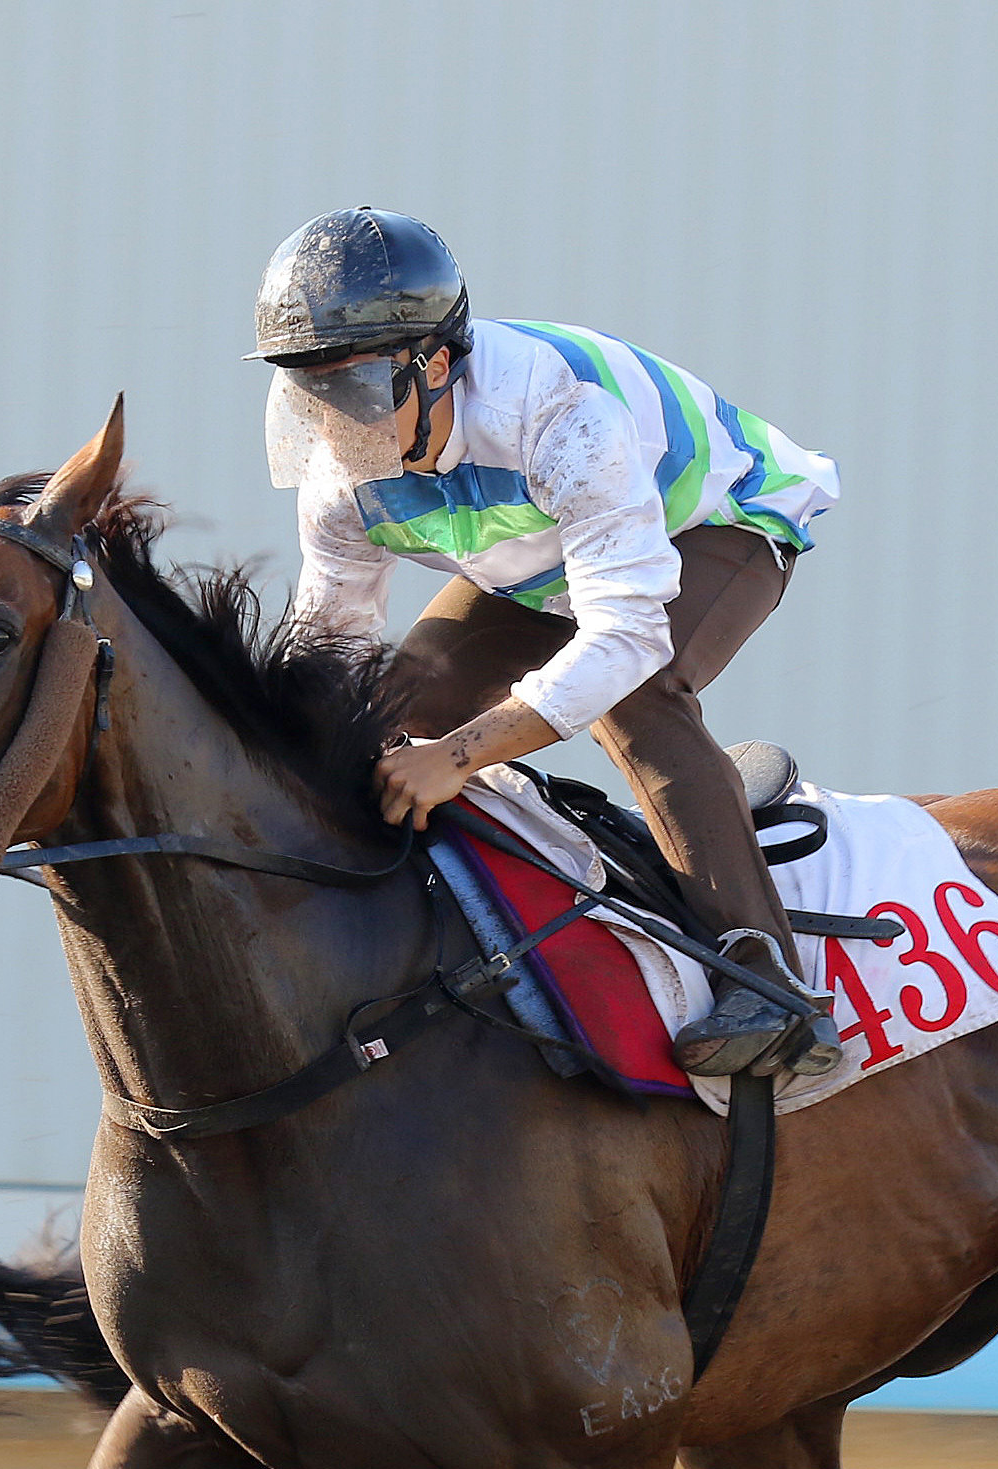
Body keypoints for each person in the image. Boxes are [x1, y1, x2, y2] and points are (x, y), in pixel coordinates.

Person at [254, 207, 845, 1078]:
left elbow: (627, 633)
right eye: (314, 394)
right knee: (390, 712)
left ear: (438, 363)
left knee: (636, 698)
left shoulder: (558, 411)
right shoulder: (338, 479)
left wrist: (457, 757)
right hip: (544, 564)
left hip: (714, 523)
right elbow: (332, 651)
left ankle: (769, 979)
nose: (339, 430)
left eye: (361, 391)